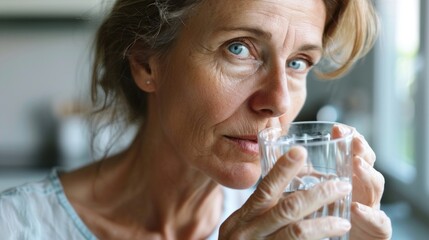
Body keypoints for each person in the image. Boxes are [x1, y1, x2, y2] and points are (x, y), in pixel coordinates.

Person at [0, 0, 392, 239]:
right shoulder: (16, 227)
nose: (278, 101)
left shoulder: (294, 227)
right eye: (239, 49)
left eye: (297, 62)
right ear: (146, 64)